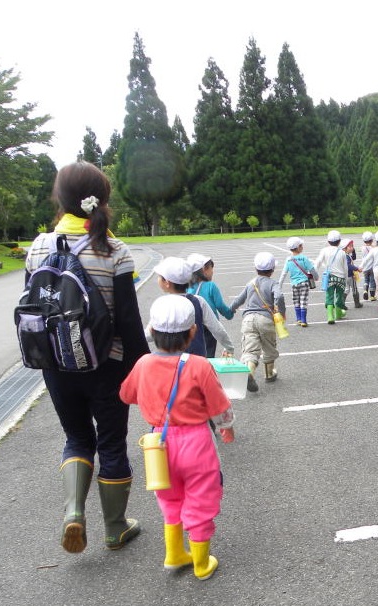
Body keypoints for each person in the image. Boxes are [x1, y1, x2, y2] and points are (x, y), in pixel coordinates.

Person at [23, 161, 150, 554]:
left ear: (59, 199)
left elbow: (34, 308)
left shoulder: (39, 246)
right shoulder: (114, 250)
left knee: (77, 438)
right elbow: (128, 321)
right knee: (111, 443)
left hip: (56, 364)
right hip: (105, 364)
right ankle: (115, 527)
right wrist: (143, 370)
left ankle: (74, 511)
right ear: (103, 199)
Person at [119, 294, 234, 581]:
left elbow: (126, 394)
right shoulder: (198, 365)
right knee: (201, 498)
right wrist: (226, 426)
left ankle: (174, 554)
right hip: (196, 442)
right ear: (192, 332)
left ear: (153, 332)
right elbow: (219, 405)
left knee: (169, 498)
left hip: (158, 443)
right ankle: (201, 562)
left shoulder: (143, 363)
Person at [154, 257, 235, 360]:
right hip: (197, 361)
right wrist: (229, 347)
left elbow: (151, 332)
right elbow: (217, 328)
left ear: (167, 282)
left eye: (159, 276)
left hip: (168, 362)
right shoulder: (199, 301)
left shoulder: (161, 304)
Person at [230, 251, 286, 388]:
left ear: (256, 269)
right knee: (269, 347)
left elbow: (239, 299)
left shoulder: (251, 283)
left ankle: (250, 372)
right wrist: (282, 312)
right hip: (266, 319)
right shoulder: (274, 283)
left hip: (248, 319)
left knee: (250, 349)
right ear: (272, 270)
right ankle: (269, 374)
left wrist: (231, 309)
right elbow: (280, 297)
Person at [186, 253, 234, 358]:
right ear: (204, 269)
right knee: (208, 354)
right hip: (208, 327)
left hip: (191, 325)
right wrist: (229, 314)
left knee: (192, 353)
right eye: (211, 269)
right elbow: (220, 306)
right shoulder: (211, 286)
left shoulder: (186, 287)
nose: (212, 272)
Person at [279, 237, 317, 327]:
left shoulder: (288, 259)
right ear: (299, 247)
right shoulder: (304, 258)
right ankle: (304, 320)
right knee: (303, 300)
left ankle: (298, 319)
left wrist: (279, 285)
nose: (302, 246)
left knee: (296, 300)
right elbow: (312, 269)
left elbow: (283, 273)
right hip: (304, 283)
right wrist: (316, 277)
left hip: (294, 284)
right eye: (301, 245)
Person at [313, 230, 349, 323]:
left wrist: (313, 273)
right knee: (339, 296)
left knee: (329, 296)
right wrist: (345, 278)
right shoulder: (342, 252)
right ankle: (338, 313)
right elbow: (345, 268)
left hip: (329, 278)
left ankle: (330, 316)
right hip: (340, 278)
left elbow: (318, 262)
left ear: (328, 241)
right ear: (339, 241)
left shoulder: (324, 250)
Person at [360, 231, 376, 301]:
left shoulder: (362, 248)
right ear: (372, 240)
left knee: (366, 280)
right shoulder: (373, 248)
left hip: (365, 267)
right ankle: (372, 296)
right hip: (372, 267)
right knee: (372, 281)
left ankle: (365, 290)